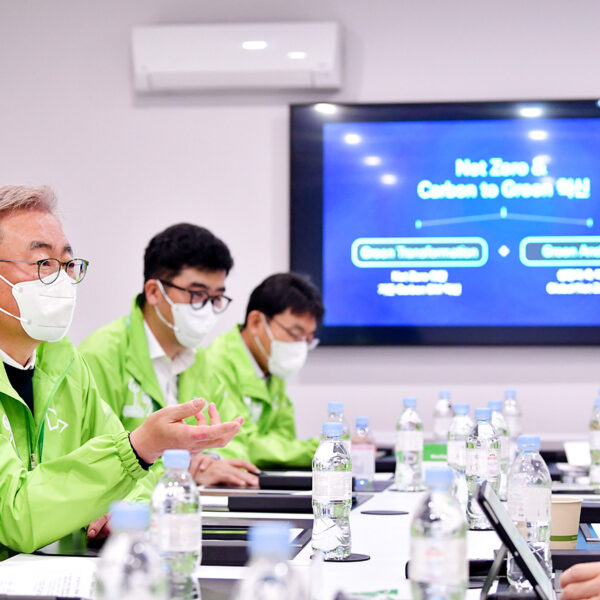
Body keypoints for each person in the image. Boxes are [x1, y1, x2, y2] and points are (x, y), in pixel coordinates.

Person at [0, 185, 244, 560]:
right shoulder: (98, 352)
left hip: (56, 568)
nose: (62, 279)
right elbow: (15, 515)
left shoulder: (62, 361)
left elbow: (133, 478)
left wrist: (118, 503)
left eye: (67, 264)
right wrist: (141, 447)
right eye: (43, 263)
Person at [79, 223, 260, 489]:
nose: (207, 309)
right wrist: (182, 472)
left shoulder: (200, 359)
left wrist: (210, 459)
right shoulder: (101, 355)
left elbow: (235, 433)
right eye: (197, 294)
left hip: (186, 502)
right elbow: (94, 465)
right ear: (154, 292)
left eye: (216, 298)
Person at [207, 272, 324, 468]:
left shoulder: (272, 364)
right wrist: (319, 450)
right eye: (295, 334)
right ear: (256, 322)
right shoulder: (216, 364)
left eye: (308, 339)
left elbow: (285, 438)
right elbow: (238, 442)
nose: (300, 346)